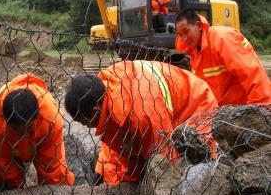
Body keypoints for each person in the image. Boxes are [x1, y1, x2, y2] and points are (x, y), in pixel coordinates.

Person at [64, 60, 218, 185]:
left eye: (82, 121)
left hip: (196, 105)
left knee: (193, 173)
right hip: (163, 109)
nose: (83, 126)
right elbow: (116, 150)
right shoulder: (105, 88)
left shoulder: (143, 118)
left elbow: (165, 161)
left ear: (95, 111)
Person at [0, 74, 75, 192]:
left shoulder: (50, 119)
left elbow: (51, 166)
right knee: (0, 172)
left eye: (28, 127)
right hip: (8, 140)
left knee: (56, 175)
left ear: (37, 116)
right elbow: (3, 161)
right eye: (17, 129)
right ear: (7, 121)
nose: (22, 133)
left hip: (42, 135)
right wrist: (15, 193)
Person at [175, 9, 270, 105]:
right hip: (224, 110)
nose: (184, 39)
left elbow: (252, 74)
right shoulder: (194, 52)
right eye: (180, 35)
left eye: (186, 31)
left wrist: (259, 107)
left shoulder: (223, 39)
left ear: (199, 25)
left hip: (243, 107)